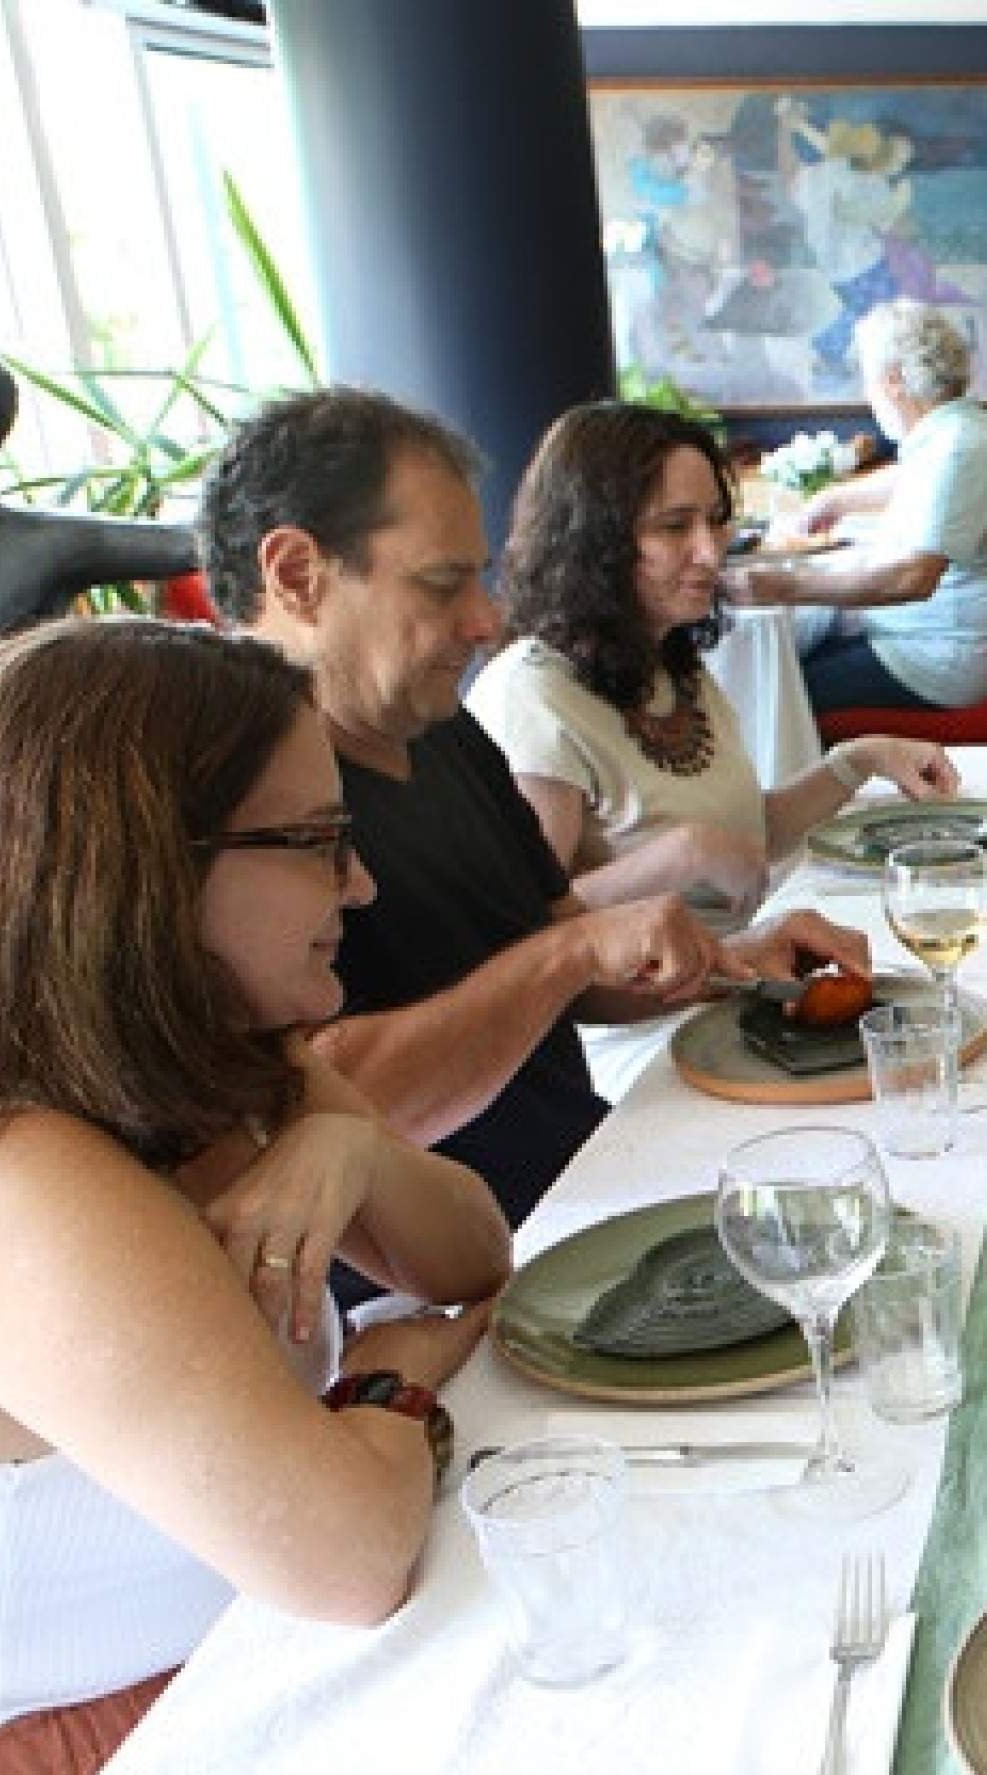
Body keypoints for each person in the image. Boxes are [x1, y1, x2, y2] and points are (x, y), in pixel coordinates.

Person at [0, 620, 510, 1775]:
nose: (359, 887)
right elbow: (346, 1557)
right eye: (318, 840)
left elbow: (473, 1252)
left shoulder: (229, 1053)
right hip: (91, 1769)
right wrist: (386, 1376)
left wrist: (349, 1147)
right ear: (143, 869)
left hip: (258, 1652)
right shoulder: (18, 1177)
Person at [198, 387, 867, 1225]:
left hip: (588, 1175)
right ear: (298, 576)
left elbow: (567, 966)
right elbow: (315, 1106)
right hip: (441, 1263)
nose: (486, 620)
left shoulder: (441, 731)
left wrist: (730, 965)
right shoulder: (223, 807)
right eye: (443, 584)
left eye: (477, 580)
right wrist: (572, 953)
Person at [475, 401, 957, 922]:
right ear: (593, 540)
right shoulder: (532, 695)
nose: (710, 552)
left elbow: (751, 834)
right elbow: (526, 926)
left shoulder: (665, 658)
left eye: (715, 521)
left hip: (737, 958)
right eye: (675, 526)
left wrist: (862, 759)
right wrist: (684, 854)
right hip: (667, 978)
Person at [722, 300, 987, 712]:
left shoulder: (957, 449)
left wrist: (781, 585)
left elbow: (912, 579)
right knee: (780, 662)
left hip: (934, 663)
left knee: (768, 696)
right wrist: (834, 499)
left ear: (893, 381)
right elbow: (911, 478)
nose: (868, 396)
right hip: (919, 642)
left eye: (867, 382)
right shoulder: (958, 431)